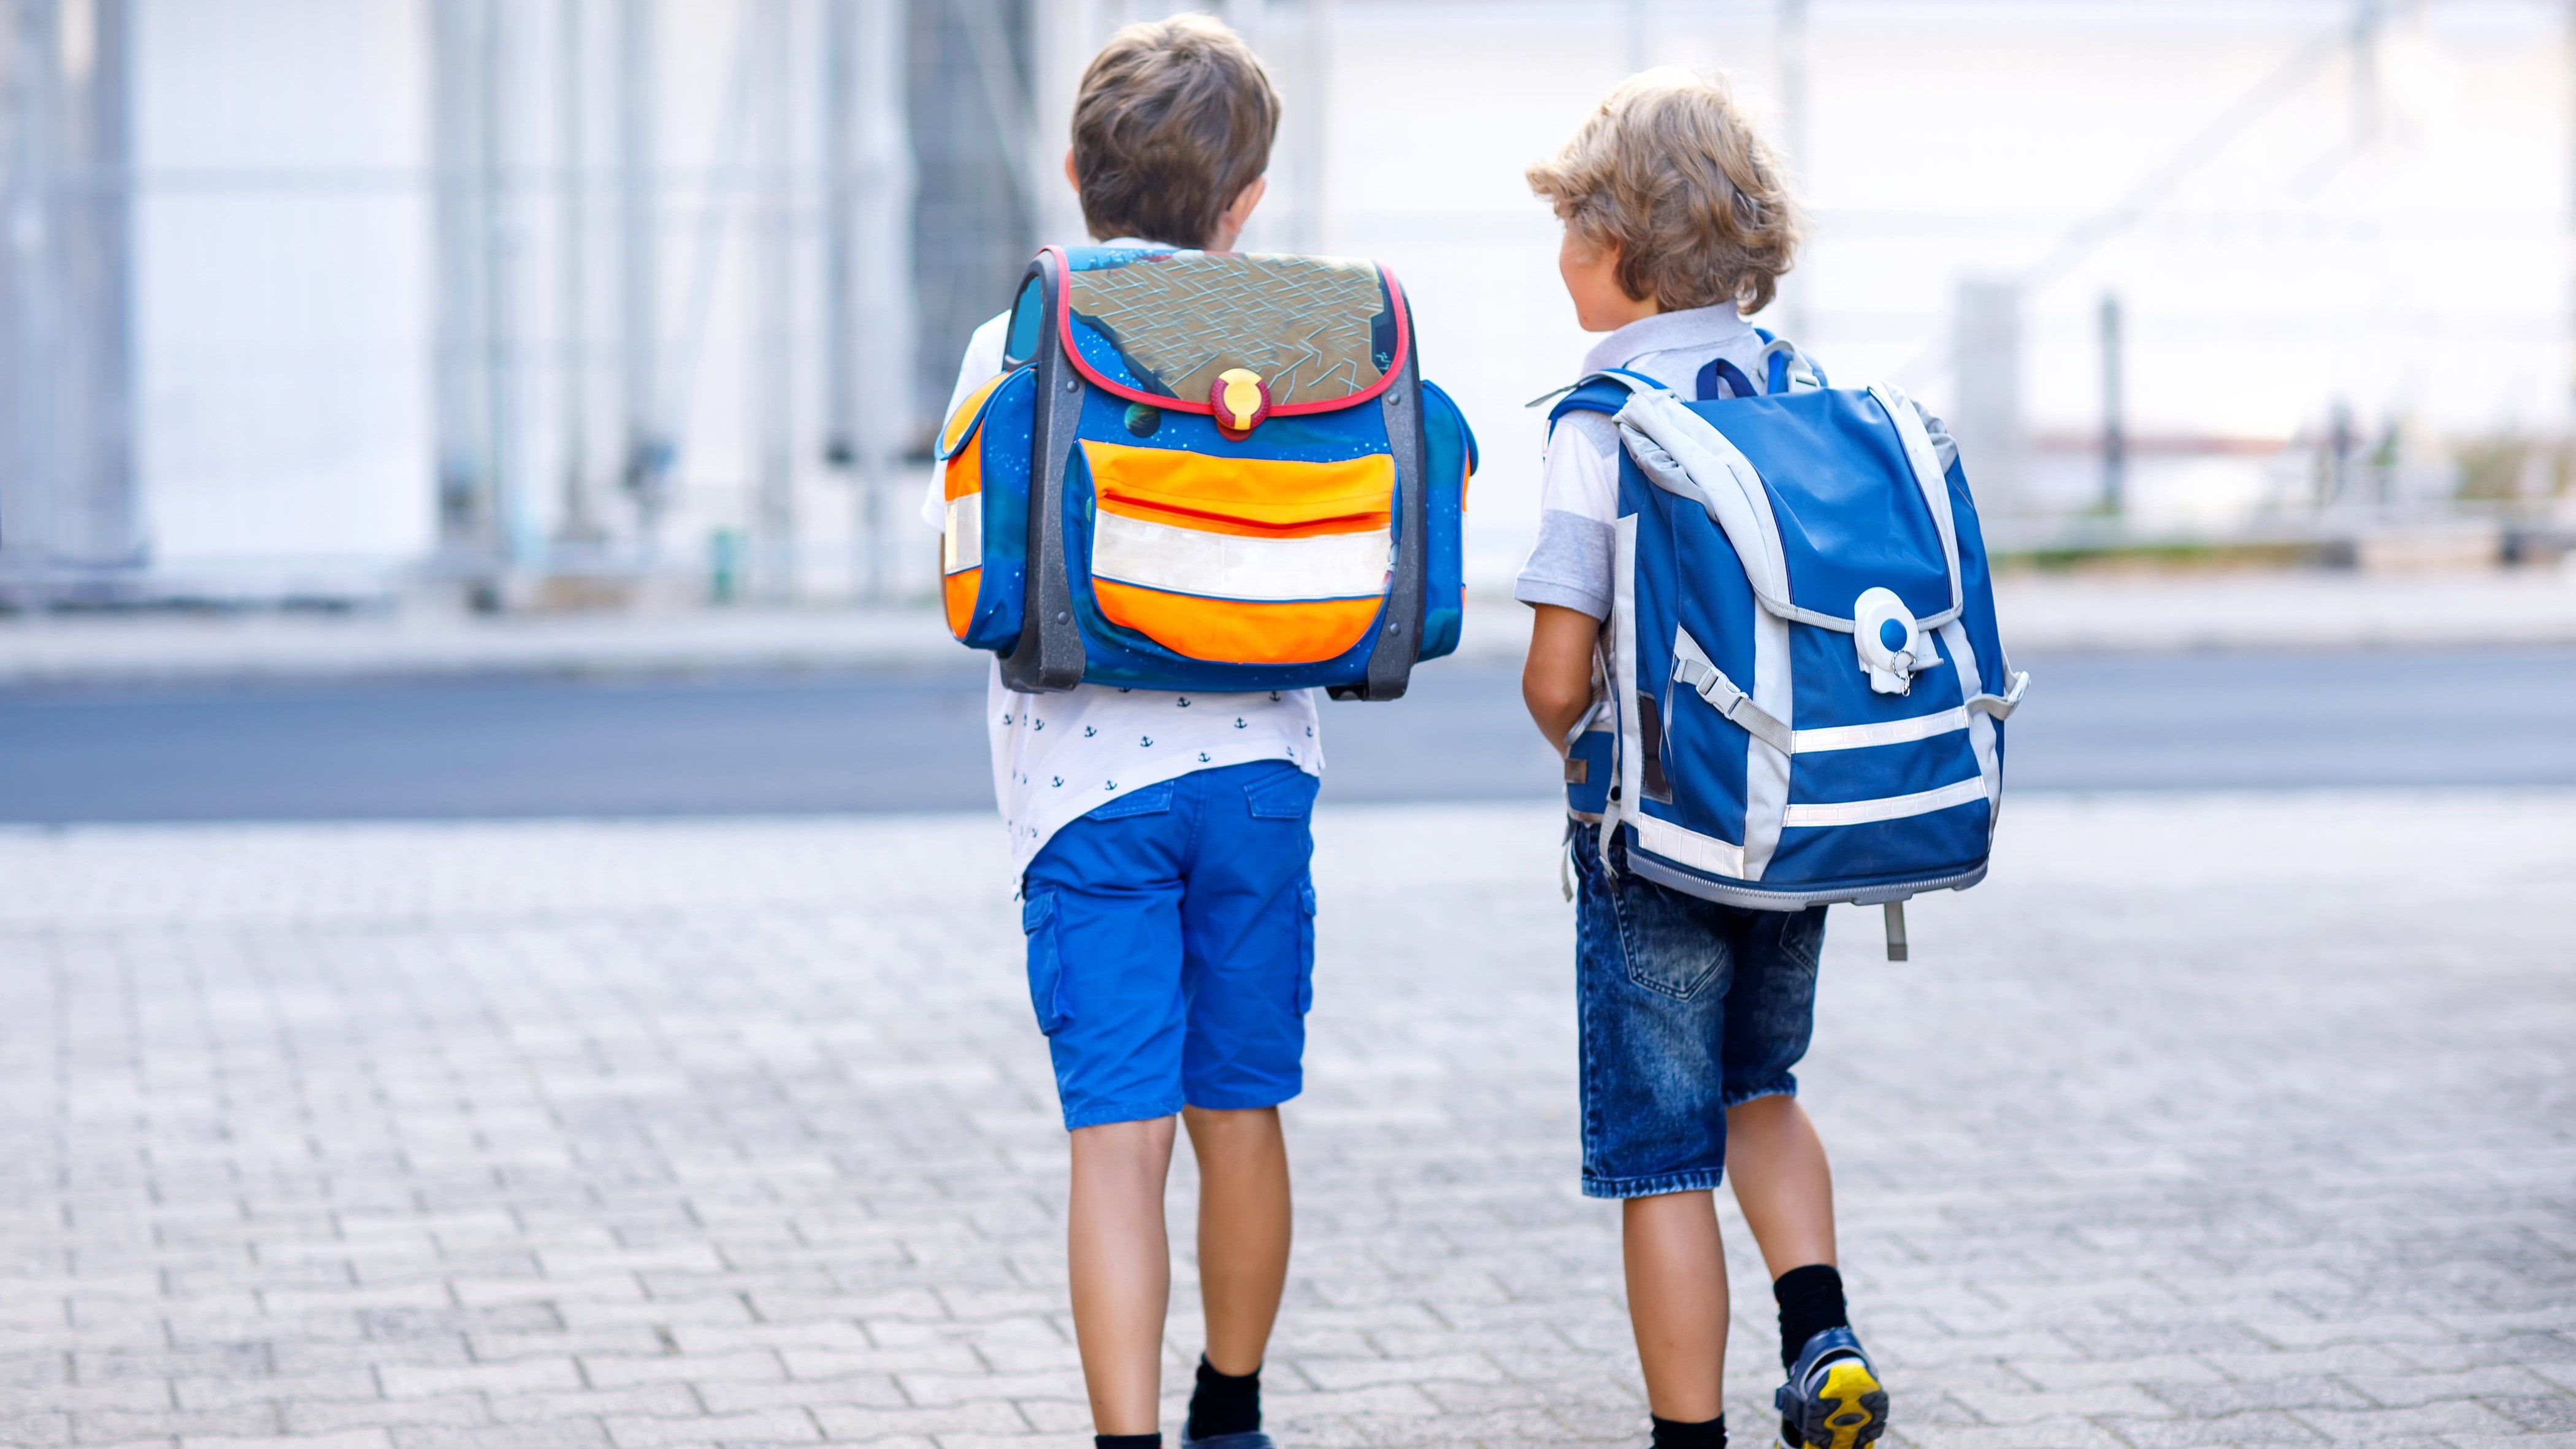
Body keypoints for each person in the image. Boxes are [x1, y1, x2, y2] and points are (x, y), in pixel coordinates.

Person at [922, 17, 1309, 1449]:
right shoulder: (1295, 334)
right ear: (1247, 200)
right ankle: (1235, 1411)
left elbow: (965, 569)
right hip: (1263, 773)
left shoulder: (1020, 332)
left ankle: (1126, 1440)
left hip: (1085, 795)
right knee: (1244, 1105)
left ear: (1073, 167)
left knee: (1119, 1134)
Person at [1516, 71, 1890, 1449]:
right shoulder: (1802, 392)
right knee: (1762, 1090)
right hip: (1791, 830)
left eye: (1567, 232)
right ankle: (1825, 1336)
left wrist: (1587, 765)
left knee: (1661, 1153)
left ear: (1622, 249)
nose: (1557, 259)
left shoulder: (1598, 417)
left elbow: (1558, 673)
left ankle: (1690, 1432)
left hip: (1656, 834)